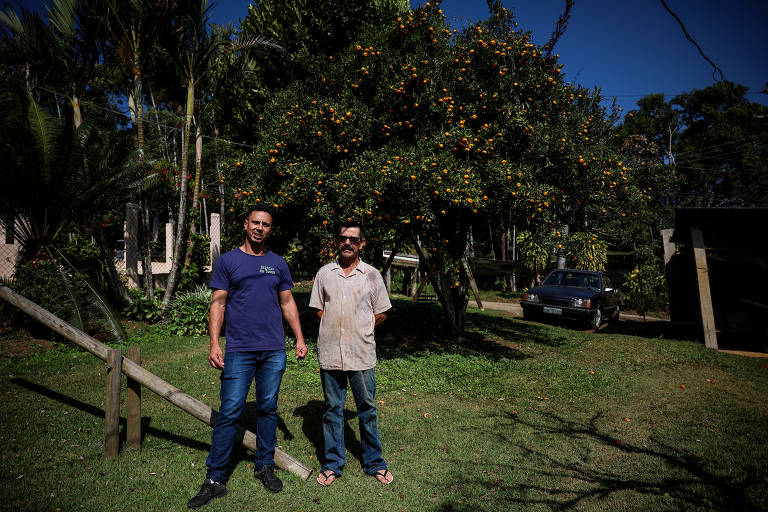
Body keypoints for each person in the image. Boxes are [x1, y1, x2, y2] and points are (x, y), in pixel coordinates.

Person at [188, 205, 308, 509]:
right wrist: (215, 343)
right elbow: (218, 304)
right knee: (230, 410)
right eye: (255, 222)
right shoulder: (228, 261)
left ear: (270, 230)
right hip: (239, 349)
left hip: (273, 350)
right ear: (245, 225)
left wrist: (300, 338)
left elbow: (287, 302)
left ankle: (264, 466)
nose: (260, 228)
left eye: (266, 224)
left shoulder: (278, 263)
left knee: (268, 408)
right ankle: (215, 478)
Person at [309, 221, 394, 487]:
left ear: (361, 243)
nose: (348, 243)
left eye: (353, 240)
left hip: (361, 353)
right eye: (344, 238)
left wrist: (362, 329)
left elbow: (380, 313)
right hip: (331, 353)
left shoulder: (372, 275)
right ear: (338, 241)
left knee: (366, 409)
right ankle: (333, 463)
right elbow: (319, 310)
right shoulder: (325, 273)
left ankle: (374, 462)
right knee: (333, 409)